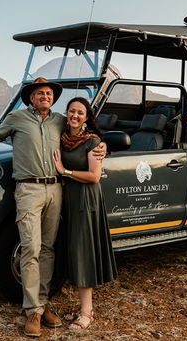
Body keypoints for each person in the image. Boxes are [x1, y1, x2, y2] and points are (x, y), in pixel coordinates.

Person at [0, 77, 104, 338]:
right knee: (31, 248)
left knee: (49, 250)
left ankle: (42, 304)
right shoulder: (17, 119)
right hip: (28, 189)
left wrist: (100, 144)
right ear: (30, 97)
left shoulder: (59, 120)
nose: (45, 96)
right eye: (39, 93)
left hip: (55, 189)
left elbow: (80, 132)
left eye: (49, 93)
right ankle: (32, 311)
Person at [52, 97, 117, 330]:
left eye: (80, 112)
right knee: (70, 249)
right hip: (68, 199)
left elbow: (94, 177)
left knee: (83, 252)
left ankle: (87, 312)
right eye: (71, 111)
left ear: (87, 117)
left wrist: (64, 171)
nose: (75, 116)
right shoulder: (63, 137)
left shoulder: (93, 142)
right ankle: (82, 308)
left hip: (85, 200)